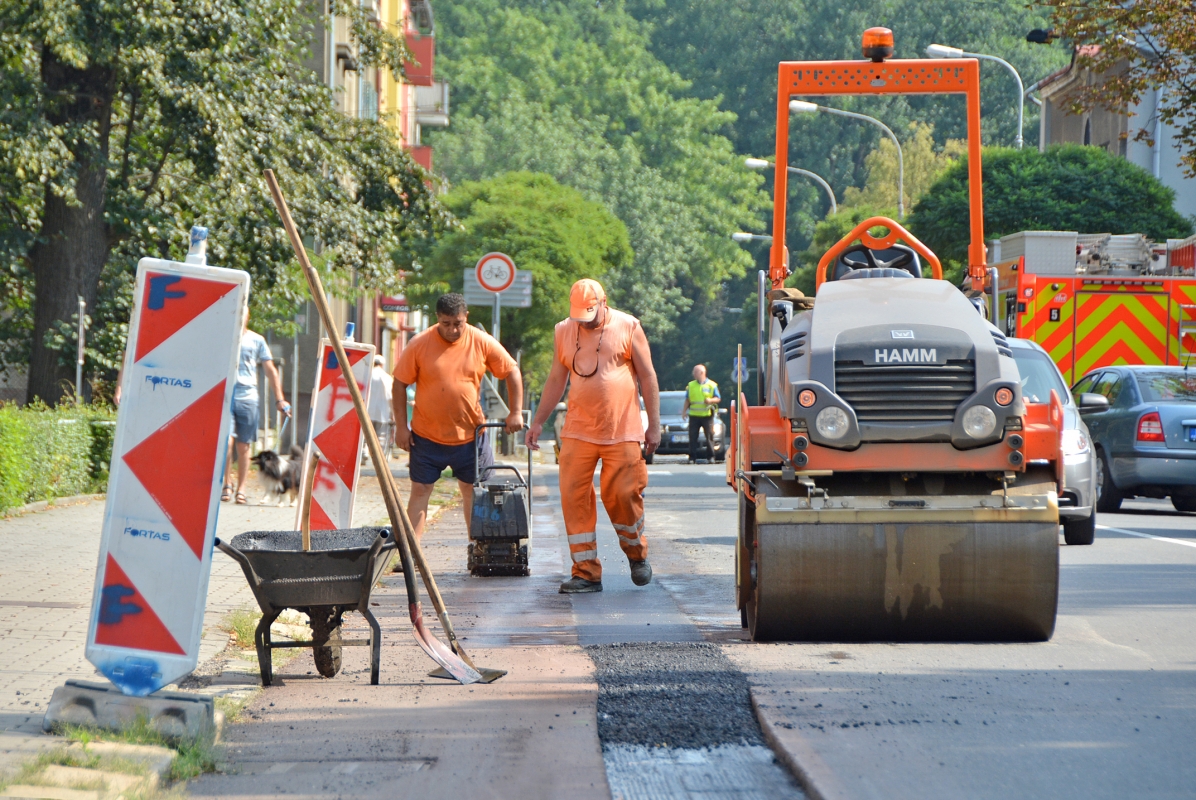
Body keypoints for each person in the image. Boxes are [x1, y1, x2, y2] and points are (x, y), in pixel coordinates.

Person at [527, 279, 661, 594]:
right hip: (577, 430)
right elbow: (556, 379)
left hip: (622, 429)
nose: (585, 323)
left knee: (622, 496)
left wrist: (652, 424)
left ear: (604, 302)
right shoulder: (563, 331)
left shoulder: (628, 326)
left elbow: (648, 375)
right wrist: (537, 422)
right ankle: (585, 572)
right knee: (574, 498)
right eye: (579, 317)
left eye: (590, 315)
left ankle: (636, 554)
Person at [392, 293, 524, 543]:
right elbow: (399, 384)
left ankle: (478, 548)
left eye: (458, 323)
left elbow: (511, 371)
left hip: (470, 436)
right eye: (445, 323)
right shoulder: (420, 343)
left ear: (466, 318)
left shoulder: (481, 341)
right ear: (437, 319)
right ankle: (411, 553)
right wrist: (401, 427)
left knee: (472, 491)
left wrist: (515, 411)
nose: (452, 330)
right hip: (426, 436)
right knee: (420, 490)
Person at [223, 311, 290, 504]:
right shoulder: (224, 337)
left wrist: (280, 399)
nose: (238, 316)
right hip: (225, 396)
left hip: (248, 397)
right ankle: (227, 482)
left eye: (242, 313)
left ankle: (241, 488)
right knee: (226, 443)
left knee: (244, 446)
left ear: (247, 317)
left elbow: (270, 370)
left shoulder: (257, 340)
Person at [682, 364, 720, 463]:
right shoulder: (691, 385)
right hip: (694, 415)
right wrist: (684, 412)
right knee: (693, 437)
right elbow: (687, 400)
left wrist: (711, 400)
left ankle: (711, 457)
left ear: (702, 373)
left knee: (709, 436)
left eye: (695, 372)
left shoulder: (712, 385)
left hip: (707, 415)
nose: (693, 374)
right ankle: (692, 457)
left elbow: (718, 398)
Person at [367, 354, 395, 457]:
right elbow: (390, 397)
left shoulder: (367, 375)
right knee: (381, 436)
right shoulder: (387, 378)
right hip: (382, 411)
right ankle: (380, 456)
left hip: (367, 410)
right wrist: (393, 413)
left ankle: (364, 453)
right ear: (382, 364)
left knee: (366, 434)